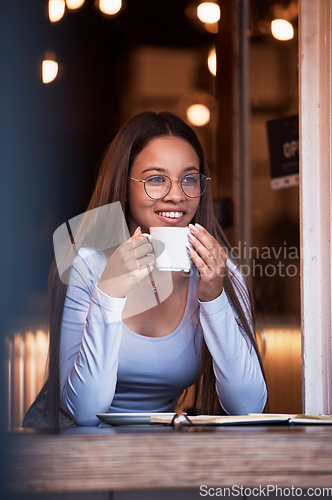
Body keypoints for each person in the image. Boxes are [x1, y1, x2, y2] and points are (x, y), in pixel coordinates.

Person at [23, 111, 267, 428]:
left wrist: (214, 297)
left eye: (189, 178)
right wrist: (109, 292)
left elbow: (247, 406)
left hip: (162, 447)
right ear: (124, 184)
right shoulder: (86, 265)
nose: (176, 195)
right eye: (155, 179)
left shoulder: (220, 271)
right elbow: (83, 412)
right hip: (84, 453)